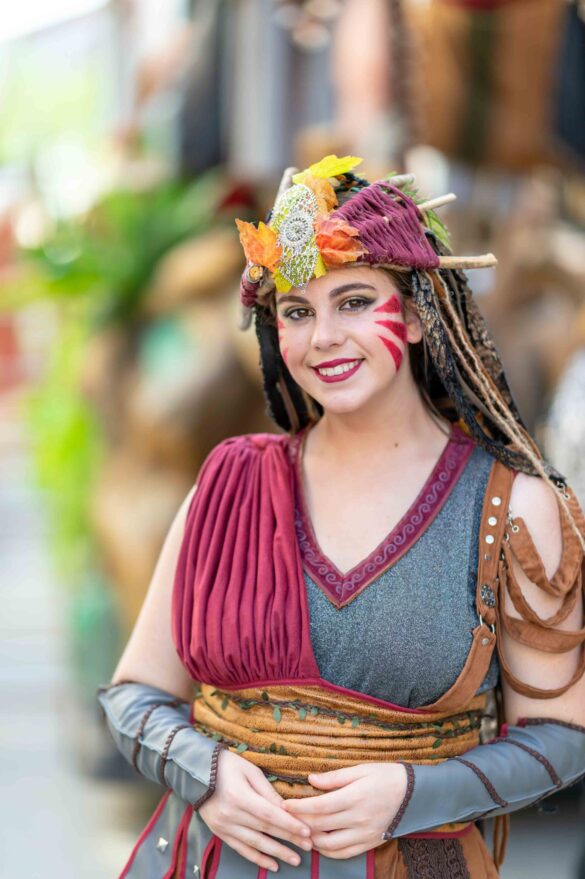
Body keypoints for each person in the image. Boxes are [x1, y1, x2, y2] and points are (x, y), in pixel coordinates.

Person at [98, 155, 585, 879]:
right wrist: (207, 773)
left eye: (354, 301)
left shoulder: (511, 506)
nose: (323, 336)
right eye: (297, 311)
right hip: (213, 861)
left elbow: (565, 735)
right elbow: (134, 694)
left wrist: (414, 793)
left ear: (415, 314)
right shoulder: (228, 485)